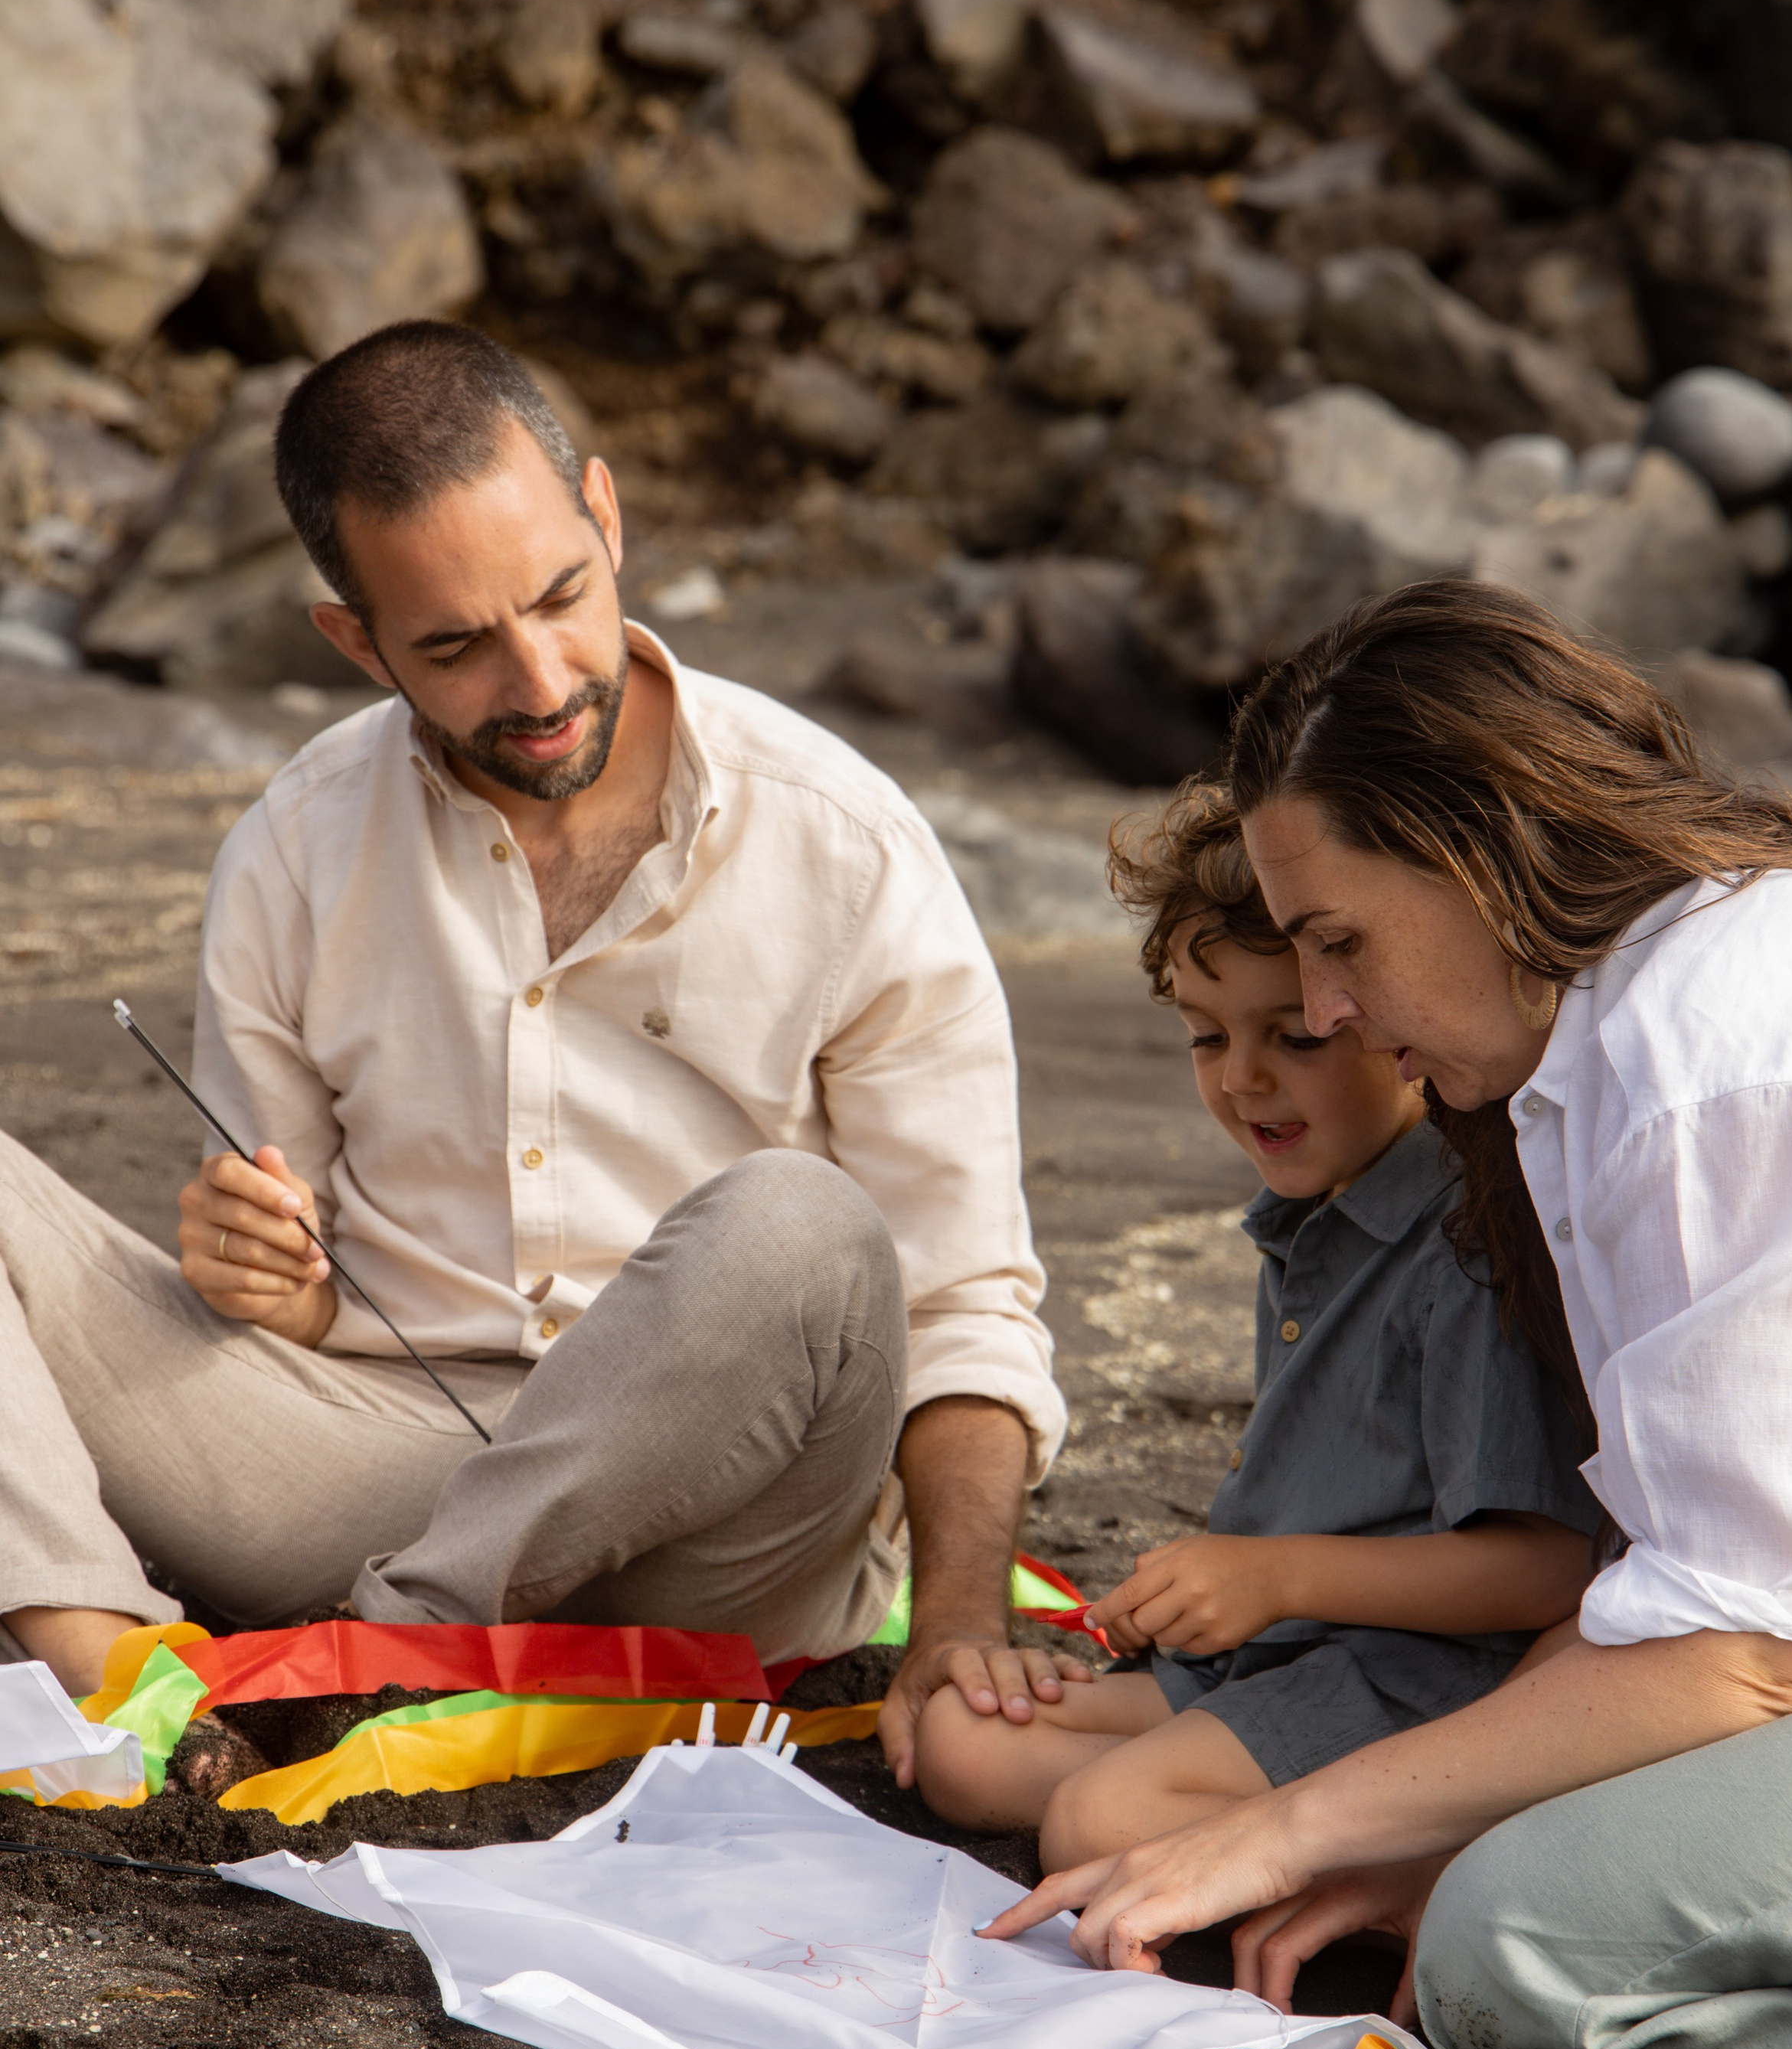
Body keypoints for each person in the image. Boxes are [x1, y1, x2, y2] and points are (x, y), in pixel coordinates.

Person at [0, 320, 1070, 1790]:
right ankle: (112, 1674)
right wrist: (266, 1279)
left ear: (607, 516)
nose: (542, 676)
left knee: (803, 1230)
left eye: (561, 595)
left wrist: (954, 1620)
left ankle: (385, 1654)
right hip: (371, 1468)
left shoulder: (850, 844)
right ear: (355, 642)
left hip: (722, 1542)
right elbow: (302, 1299)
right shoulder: (296, 850)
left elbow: (962, 1306)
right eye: (452, 646)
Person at [984, 581, 1792, 2049]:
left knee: (1509, 1948)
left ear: (1475, 862)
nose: (1321, 1009)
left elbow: (1746, 1648)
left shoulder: (1696, 1067)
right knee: (1478, 1866)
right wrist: (1382, 1821)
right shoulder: (1643, 1020)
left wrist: (1292, 1828)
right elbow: (1677, 1593)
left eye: (1335, 941)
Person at [915, 779, 1598, 1855]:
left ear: (1394, 1017)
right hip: (1285, 1649)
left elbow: (1551, 1568)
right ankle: (1233, 1801)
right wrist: (1218, 1591)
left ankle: (1428, 1850)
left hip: (1418, 1680)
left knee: (1101, 1822)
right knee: (960, 1739)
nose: (1244, 1079)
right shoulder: (1310, 1215)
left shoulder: (1464, 1243)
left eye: (1297, 1038)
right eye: (1205, 1037)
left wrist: (1269, 1577)